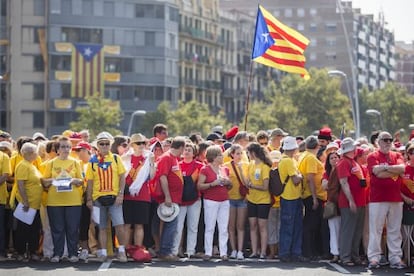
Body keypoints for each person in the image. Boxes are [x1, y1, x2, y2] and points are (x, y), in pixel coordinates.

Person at [85, 132, 128, 262]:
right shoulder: (92, 161)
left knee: (119, 225)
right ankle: (103, 252)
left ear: (110, 144)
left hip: (114, 198)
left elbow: (122, 177)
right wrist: (89, 199)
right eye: (101, 143)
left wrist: (120, 194)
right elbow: (90, 182)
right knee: (101, 226)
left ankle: (121, 251)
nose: (104, 146)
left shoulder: (116, 158)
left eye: (106, 143)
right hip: (98, 199)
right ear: (97, 145)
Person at [367, 131, 406, 269]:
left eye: (390, 140)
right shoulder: (372, 156)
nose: (388, 142)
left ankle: (395, 257)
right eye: (384, 140)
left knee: (395, 229)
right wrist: (392, 170)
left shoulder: (397, 155)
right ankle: (374, 258)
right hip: (377, 199)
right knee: (375, 229)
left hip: (395, 198)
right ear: (378, 141)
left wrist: (385, 168)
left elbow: (402, 168)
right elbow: (377, 174)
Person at [41, 136, 84, 263]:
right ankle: (57, 253)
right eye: (63, 147)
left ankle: (72, 254)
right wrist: (54, 180)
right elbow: (44, 181)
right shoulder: (51, 163)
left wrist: (75, 181)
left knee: (72, 229)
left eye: (68, 147)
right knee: (57, 229)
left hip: (73, 201)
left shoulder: (76, 162)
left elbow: (81, 180)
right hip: (54, 201)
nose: (66, 149)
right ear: (57, 149)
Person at [197, 145, 231, 261]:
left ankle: (223, 253)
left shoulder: (225, 169)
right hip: (211, 200)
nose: (222, 157)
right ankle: (208, 251)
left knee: (223, 227)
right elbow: (200, 186)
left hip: (224, 200)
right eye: (220, 155)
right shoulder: (205, 169)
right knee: (210, 227)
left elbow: (230, 186)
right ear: (214, 157)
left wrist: (227, 182)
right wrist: (212, 184)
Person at [121, 134, 155, 248]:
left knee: (139, 225)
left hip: (143, 195)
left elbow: (152, 176)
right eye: (138, 143)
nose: (141, 145)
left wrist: (152, 163)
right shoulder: (125, 158)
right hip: (127, 195)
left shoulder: (148, 157)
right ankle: (124, 250)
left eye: (143, 143)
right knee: (127, 225)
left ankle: (138, 250)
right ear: (132, 145)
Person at [336, 138, 367, 266]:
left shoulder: (353, 162)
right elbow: (344, 182)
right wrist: (351, 200)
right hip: (349, 202)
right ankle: (345, 257)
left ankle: (354, 255)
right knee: (348, 229)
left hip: (360, 201)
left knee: (357, 230)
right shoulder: (343, 162)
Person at [156, 136, 185, 261]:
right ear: (182, 147)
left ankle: (166, 251)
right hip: (169, 198)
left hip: (174, 197)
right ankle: (165, 252)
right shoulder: (167, 158)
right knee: (171, 226)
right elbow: (163, 177)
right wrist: (167, 196)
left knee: (171, 226)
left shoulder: (173, 158)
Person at [173, 142, 203, 258]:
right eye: (185, 149)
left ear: (194, 152)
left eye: (189, 150)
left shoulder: (199, 166)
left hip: (195, 199)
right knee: (178, 226)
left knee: (193, 227)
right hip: (180, 200)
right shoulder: (177, 165)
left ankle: (191, 251)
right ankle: (175, 250)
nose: (186, 151)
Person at [298, 135, 327, 260]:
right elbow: (310, 178)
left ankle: (309, 251)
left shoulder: (303, 155)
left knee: (311, 224)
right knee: (311, 225)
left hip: (308, 194)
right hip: (312, 195)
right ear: (317, 146)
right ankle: (308, 251)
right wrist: (315, 198)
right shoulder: (310, 158)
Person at [14, 142, 43, 261]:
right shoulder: (23, 165)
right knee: (23, 229)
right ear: (30, 153)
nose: (37, 154)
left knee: (34, 229)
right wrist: (25, 201)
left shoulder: (31, 165)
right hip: (27, 203)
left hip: (34, 204)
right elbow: (20, 184)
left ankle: (32, 251)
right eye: (36, 152)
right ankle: (21, 252)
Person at [277, 136, 304, 262]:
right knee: (292, 226)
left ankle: (287, 252)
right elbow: (296, 180)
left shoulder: (285, 159)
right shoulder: (289, 161)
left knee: (289, 225)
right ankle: (289, 252)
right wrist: (301, 175)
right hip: (291, 197)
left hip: (289, 197)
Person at [245, 143, 272, 259]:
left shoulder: (264, 167)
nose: (248, 155)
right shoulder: (250, 165)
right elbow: (247, 180)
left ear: (253, 153)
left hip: (263, 200)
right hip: (251, 199)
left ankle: (263, 252)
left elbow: (265, 186)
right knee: (253, 226)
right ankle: (254, 251)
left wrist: (253, 186)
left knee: (262, 226)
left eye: (249, 153)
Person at [224, 144, 248, 260]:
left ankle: (240, 251)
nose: (239, 156)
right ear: (232, 154)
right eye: (237, 153)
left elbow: (246, 183)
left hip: (242, 199)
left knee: (240, 225)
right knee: (231, 226)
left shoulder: (246, 165)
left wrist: (241, 170)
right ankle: (233, 249)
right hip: (230, 199)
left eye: (241, 153)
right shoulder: (226, 166)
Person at [321, 151, 341, 263]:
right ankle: (335, 254)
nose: (334, 159)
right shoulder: (327, 173)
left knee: (344, 230)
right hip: (332, 204)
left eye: (336, 157)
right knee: (334, 230)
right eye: (331, 158)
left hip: (343, 204)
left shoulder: (343, 170)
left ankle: (343, 251)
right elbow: (324, 186)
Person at [0, 144, 11, 260]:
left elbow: (5, 176)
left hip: (0, 198)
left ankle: (1, 252)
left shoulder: (4, 156)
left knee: (0, 227)